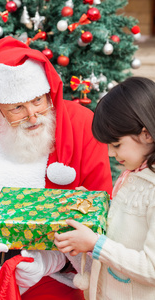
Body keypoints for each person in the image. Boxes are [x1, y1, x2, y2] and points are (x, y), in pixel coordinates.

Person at [0, 36, 112, 300]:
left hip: (47, 277)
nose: (33, 116)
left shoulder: (82, 124)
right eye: (17, 108)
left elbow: (99, 211)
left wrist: (51, 261)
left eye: (38, 100)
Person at [54, 76, 155, 300]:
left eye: (116, 144)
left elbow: (151, 269)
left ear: (146, 134)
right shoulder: (134, 172)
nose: (110, 153)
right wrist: (94, 206)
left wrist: (95, 244)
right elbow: (127, 224)